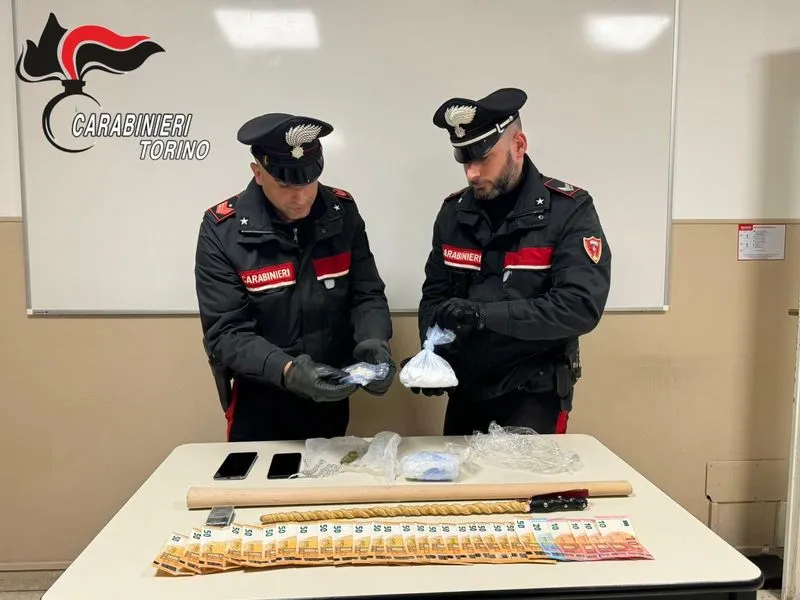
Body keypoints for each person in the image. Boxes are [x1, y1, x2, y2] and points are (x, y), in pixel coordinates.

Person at [412, 87, 611, 436]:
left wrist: (483, 315)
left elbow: (578, 306)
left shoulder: (568, 211)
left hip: (533, 395)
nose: (472, 173)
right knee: (456, 474)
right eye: (465, 161)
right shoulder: (454, 214)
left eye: (483, 159)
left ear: (519, 145)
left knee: (524, 476)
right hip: (467, 391)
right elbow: (436, 295)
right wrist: (433, 355)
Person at [194, 112, 395, 442]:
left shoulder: (341, 213)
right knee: (261, 477)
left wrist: (373, 341)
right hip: (261, 400)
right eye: (286, 185)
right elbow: (227, 332)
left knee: (327, 473)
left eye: (309, 181)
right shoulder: (222, 231)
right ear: (258, 173)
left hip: (331, 393)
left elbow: (367, 295)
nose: (301, 197)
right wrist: (288, 370)